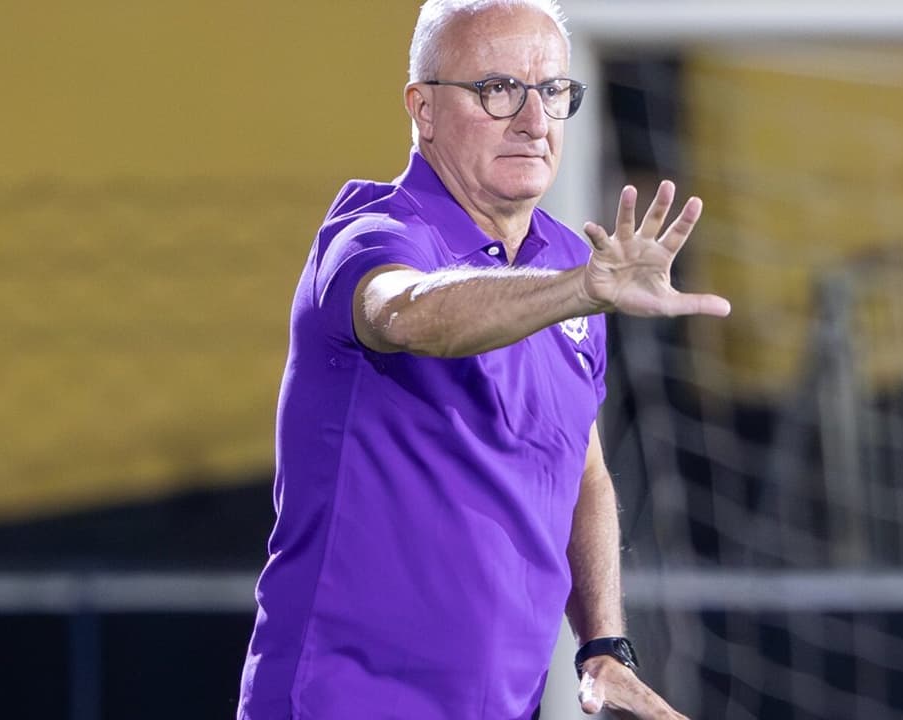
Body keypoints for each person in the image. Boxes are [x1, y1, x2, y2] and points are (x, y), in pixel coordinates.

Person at [237, 0, 729, 718]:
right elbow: (407, 313)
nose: (533, 120)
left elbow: (582, 468)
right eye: (498, 89)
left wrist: (602, 643)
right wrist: (578, 290)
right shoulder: (374, 234)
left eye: (552, 91)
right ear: (423, 108)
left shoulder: (571, 261)